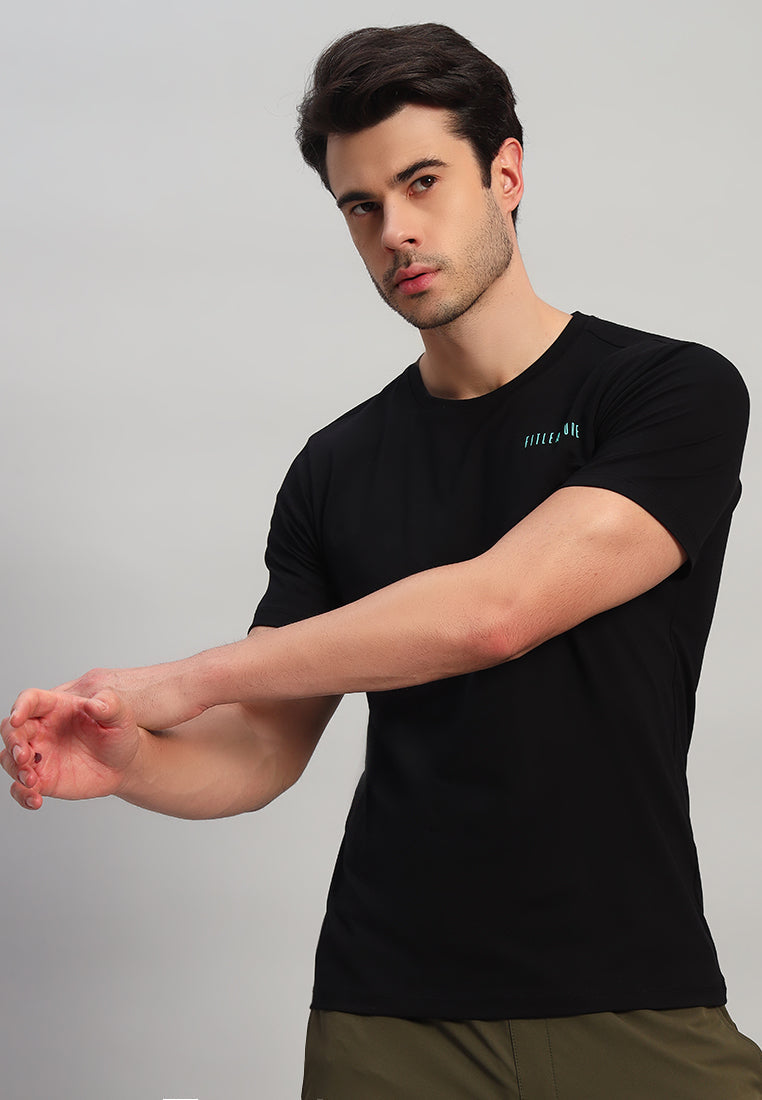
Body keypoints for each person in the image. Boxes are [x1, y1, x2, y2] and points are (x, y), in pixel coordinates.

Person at [2, 22, 760, 1100]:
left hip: (633, 993)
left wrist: (182, 679)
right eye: (361, 205)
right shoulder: (337, 466)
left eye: (422, 182)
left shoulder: (666, 392)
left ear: (506, 174)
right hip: (386, 1016)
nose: (395, 229)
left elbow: (498, 610)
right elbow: (262, 746)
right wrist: (132, 761)